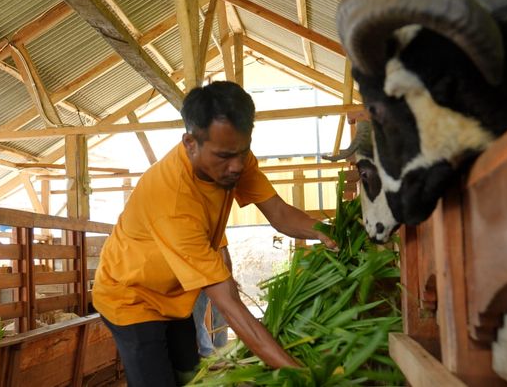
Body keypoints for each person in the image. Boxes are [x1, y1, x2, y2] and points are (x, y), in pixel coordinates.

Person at [92, 81, 336, 387]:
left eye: (242, 152)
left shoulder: (237, 160)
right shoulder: (173, 200)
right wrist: (299, 375)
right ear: (190, 143)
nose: (236, 166)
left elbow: (280, 213)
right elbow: (228, 303)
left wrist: (329, 231)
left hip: (174, 294)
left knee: (190, 376)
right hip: (130, 296)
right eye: (224, 156)